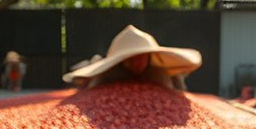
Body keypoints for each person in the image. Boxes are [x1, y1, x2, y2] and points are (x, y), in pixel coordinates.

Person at [62, 25, 201, 90]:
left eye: (142, 57)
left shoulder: (159, 75)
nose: (137, 62)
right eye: (132, 58)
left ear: (149, 57)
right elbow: (90, 94)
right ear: (123, 60)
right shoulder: (107, 75)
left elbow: (177, 95)